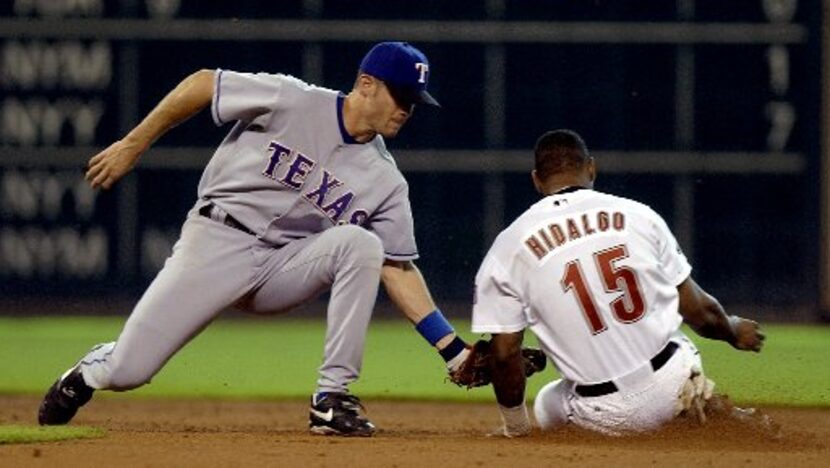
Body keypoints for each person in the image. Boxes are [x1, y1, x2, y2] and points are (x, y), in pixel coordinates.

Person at [37, 42, 476, 437]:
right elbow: (203, 83)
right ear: (366, 84)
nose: (407, 109)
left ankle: (331, 396)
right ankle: (87, 372)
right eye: (401, 96)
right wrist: (133, 144)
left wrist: (453, 351)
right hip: (216, 240)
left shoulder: (386, 180)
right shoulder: (294, 99)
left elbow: (396, 266)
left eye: (414, 102)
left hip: (280, 267)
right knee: (129, 370)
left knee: (362, 245)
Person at [471, 129, 766, 437]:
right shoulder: (640, 215)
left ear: (536, 180)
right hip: (673, 378)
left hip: (607, 414)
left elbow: (504, 355)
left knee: (547, 401)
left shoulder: (508, 247)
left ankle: (528, 430)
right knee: (675, 343)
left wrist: (516, 428)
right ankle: (704, 408)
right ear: (591, 168)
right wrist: (733, 330)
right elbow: (700, 312)